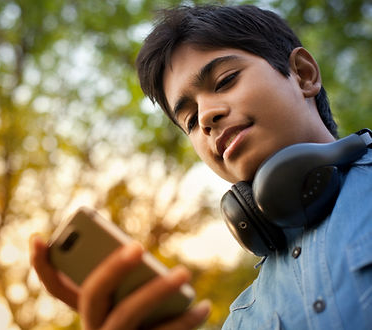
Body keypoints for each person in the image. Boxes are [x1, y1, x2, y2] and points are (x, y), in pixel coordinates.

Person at [30, 4, 372, 329]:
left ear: (303, 74)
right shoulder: (243, 320)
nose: (207, 117)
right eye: (191, 120)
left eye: (224, 81)